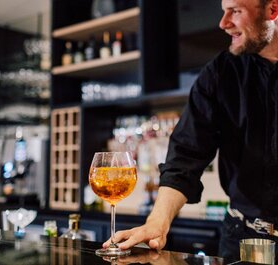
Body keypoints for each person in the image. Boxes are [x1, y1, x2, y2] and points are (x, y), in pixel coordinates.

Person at [103, 0, 278, 263]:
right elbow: (186, 154)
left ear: (272, 10)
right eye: (223, 10)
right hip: (242, 235)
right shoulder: (219, 74)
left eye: (236, 11)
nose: (223, 22)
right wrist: (157, 223)